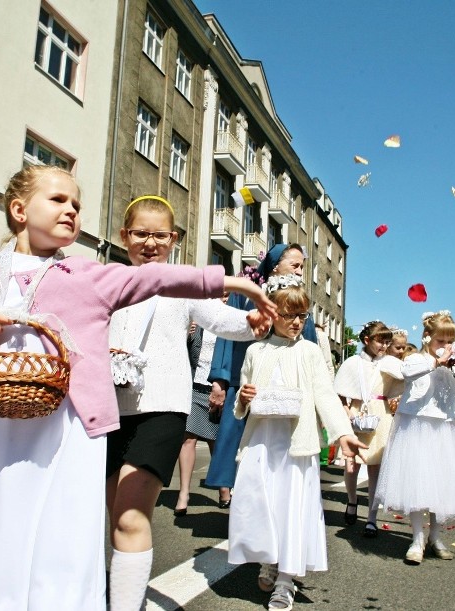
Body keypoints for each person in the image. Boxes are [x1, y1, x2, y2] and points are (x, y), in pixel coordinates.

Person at [0, 166, 275, 609]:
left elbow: (157, 280)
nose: (71, 210)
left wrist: (231, 284)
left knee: (69, 536)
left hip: (72, 429)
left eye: (77, 205)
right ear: (19, 210)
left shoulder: (85, 275)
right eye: (59, 200)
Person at [106, 196, 269, 611]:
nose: (150, 243)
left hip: (161, 406)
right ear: (124, 236)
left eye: (160, 235)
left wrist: (251, 323)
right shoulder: (109, 278)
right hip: (105, 408)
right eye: (140, 233)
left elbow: (221, 318)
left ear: (174, 240)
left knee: (131, 513)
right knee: (112, 515)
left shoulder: (181, 285)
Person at [227, 274, 365, 610]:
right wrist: (244, 399)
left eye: (302, 315)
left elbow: (325, 395)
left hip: (295, 442)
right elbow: (241, 401)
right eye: (290, 315)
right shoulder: (256, 351)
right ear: (273, 314)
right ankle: (269, 559)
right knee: (263, 503)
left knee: (291, 505)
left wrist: (343, 433)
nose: (298, 322)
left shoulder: (310, 352)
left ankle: (286, 579)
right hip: (262, 440)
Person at [375, 311, 455, 564]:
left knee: (441, 483)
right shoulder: (416, 359)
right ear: (427, 337)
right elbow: (408, 374)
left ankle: (435, 536)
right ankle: (417, 538)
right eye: (441, 341)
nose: (446, 346)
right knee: (418, 482)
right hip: (417, 427)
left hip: (444, 429)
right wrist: (437, 362)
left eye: (450, 341)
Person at [205, 243, 317, 506]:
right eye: (295, 265)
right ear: (276, 264)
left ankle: (275, 490)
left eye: (302, 266)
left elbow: (307, 340)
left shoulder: (297, 296)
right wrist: (220, 380)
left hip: (284, 382)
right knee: (236, 437)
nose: (300, 271)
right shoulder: (245, 292)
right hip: (244, 379)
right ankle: (229, 487)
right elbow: (226, 336)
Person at [333, 320, 392, 535]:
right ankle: (351, 500)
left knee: (375, 467)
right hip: (359, 412)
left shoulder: (389, 363)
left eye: (387, 342)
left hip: (381, 414)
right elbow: (339, 389)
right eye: (380, 341)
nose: (384, 346)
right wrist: (345, 408)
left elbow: (400, 384)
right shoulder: (353, 363)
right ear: (366, 340)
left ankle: (372, 517)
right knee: (352, 465)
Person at [174, 294, 230, 518]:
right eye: (220, 295)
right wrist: (185, 333)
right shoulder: (198, 320)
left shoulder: (231, 323)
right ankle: (184, 493)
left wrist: (224, 387)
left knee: (217, 441)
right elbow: (179, 350)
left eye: (228, 295)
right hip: (193, 386)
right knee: (188, 439)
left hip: (220, 389)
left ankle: (223, 488)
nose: (224, 299)